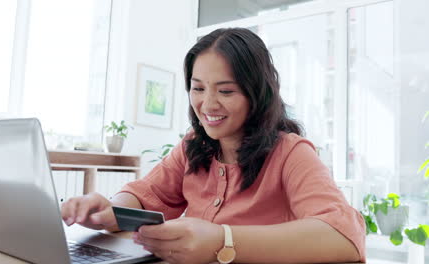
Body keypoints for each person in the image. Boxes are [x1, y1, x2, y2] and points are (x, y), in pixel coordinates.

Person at [61, 28, 365, 264]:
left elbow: (345, 236)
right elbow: (147, 193)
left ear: (257, 94)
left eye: (226, 91)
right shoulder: (195, 145)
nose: (207, 104)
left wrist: (223, 240)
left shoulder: (291, 152)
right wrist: (110, 209)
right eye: (198, 88)